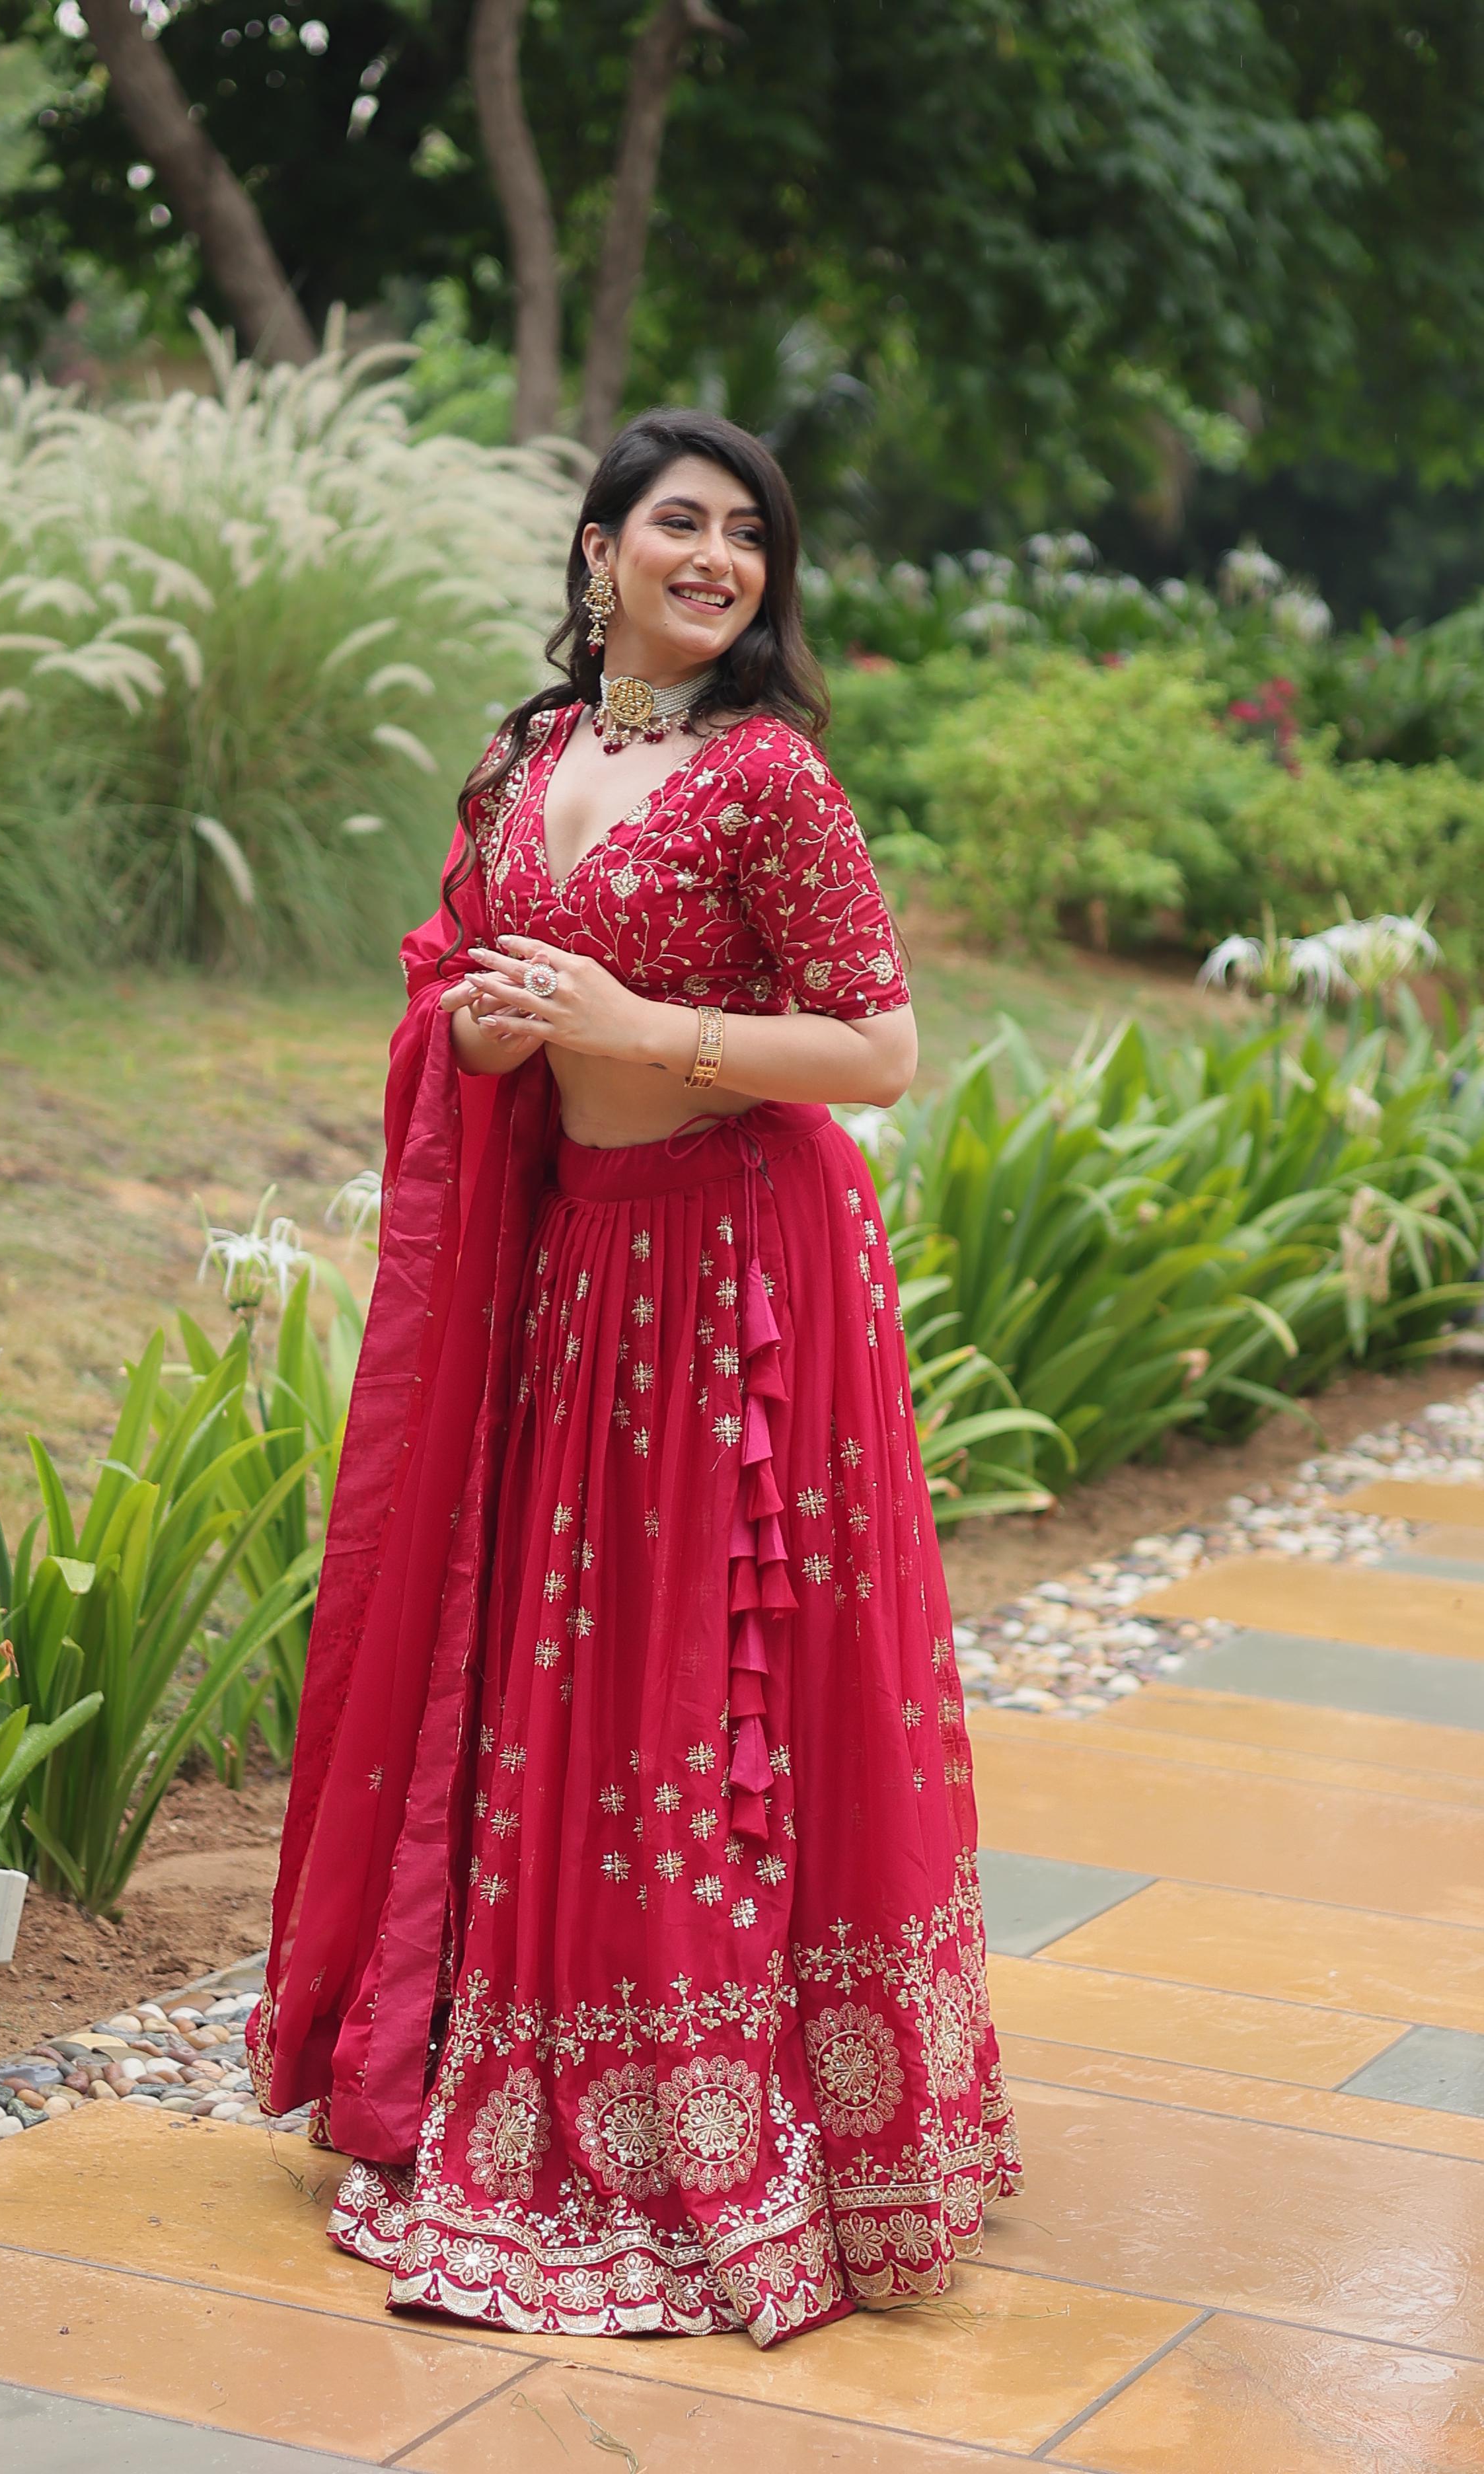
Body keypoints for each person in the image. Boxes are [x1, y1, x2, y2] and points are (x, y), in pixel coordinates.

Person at [246, 409, 1021, 2347]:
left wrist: (641, 1026)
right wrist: (495, 1034)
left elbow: (880, 1049)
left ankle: (715, 2115)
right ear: (596, 551)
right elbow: (454, 962)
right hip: (577, 1269)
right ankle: (527, 2065)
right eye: (679, 522)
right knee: (557, 1672)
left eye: (749, 536)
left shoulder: (772, 779)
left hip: (741, 1285)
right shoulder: (525, 758)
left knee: (693, 1687)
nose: (718, 559)